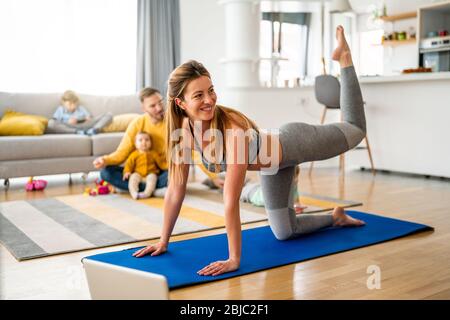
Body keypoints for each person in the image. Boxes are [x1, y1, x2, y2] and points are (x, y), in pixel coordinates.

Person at [133, 26, 366, 277]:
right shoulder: (183, 131)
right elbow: (175, 189)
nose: (209, 100)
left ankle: (344, 58)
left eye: (211, 90)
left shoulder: (233, 129)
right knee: (285, 232)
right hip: (274, 167)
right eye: (198, 95)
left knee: (354, 130)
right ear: (180, 103)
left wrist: (234, 259)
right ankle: (336, 217)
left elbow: (230, 201)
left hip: (293, 143)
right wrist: (163, 241)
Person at [93, 87, 224, 193]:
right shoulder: (137, 123)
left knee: (177, 174)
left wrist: (214, 177)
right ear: (144, 109)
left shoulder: (174, 121)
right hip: (139, 171)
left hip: (164, 172)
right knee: (106, 173)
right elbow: (122, 153)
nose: (159, 108)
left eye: (160, 102)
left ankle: (140, 187)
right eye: (153, 106)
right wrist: (104, 160)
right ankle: (152, 188)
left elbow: (193, 152)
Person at [240, 165, 306, 213]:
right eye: (294, 177)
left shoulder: (294, 185)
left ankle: (245, 182)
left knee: (249, 185)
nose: (297, 179)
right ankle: (242, 181)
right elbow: (280, 205)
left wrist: (297, 205)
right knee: (242, 191)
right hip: (254, 194)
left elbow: (296, 199)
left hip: (259, 189)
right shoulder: (280, 187)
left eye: (297, 175)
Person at [46, 90, 112, 135]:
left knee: (108, 114)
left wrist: (87, 119)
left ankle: (94, 130)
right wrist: (67, 122)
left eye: (74, 103)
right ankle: (78, 132)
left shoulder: (81, 108)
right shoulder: (60, 109)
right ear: (63, 102)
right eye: (70, 104)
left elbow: (89, 118)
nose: (72, 106)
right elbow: (55, 121)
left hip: (85, 125)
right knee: (51, 123)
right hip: (69, 127)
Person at [123, 132, 164, 199]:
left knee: (152, 179)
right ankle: (134, 193)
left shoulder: (153, 154)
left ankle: (147, 193)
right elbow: (128, 165)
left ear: (151, 143)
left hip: (150, 174)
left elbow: (161, 163)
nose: (144, 142)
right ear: (136, 144)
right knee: (133, 178)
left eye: (147, 140)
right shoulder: (134, 155)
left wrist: (169, 166)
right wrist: (127, 172)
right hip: (138, 174)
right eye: (140, 140)